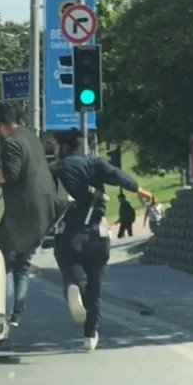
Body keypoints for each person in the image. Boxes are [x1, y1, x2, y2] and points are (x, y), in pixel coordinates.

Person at [52, 129, 151, 351]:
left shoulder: (56, 169)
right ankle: (91, 333)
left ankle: (76, 287)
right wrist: (138, 189)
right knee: (96, 282)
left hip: (69, 232)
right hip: (98, 231)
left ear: (64, 148)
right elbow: (117, 175)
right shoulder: (95, 164)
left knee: (72, 269)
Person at [0, 102, 57, 327]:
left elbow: (8, 174)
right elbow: (3, 162)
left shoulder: (11, 142)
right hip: (42, 212)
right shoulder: (29, 137)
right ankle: (16, 314)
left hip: (22, 214)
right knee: (21, 263)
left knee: (0, 261)